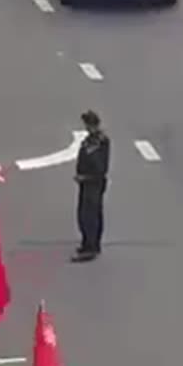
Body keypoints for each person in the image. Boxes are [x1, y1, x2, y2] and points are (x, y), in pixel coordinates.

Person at [73, 110, 111, 262]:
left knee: (90, 215)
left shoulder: (97, 141)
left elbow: (98, 165)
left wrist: (84, 176)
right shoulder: (91, 139)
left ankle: (91, 246)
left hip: (92, 183)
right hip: (86, 182)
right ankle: (87, 242)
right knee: (84, 214)